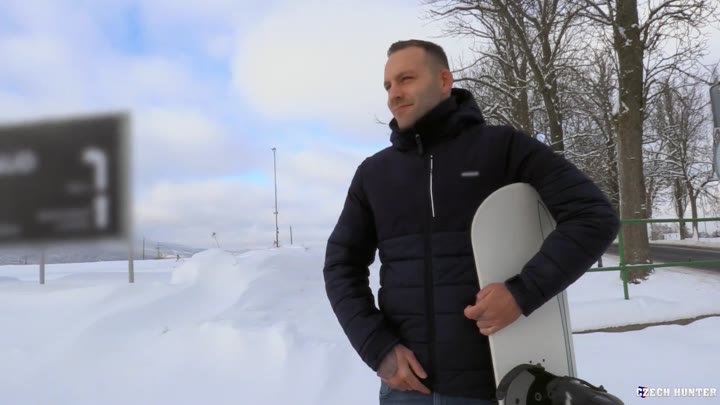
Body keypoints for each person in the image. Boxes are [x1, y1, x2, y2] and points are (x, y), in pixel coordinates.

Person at [322, 39, 620, 404]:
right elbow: (340, 265)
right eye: (387, 85)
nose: (394, 94)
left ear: (444, 80)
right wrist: (377, 347)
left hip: (494, 386)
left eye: (406, 79)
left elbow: (593, 217)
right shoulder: (374, 174)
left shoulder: (504, 148)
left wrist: (522, 292)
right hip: (405, 390)